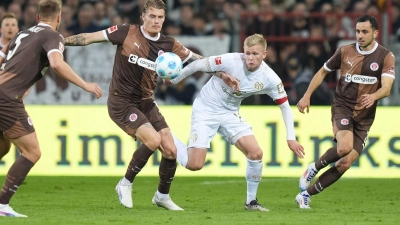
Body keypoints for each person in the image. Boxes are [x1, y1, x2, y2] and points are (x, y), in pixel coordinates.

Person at [63, 0, 238, 211]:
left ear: (164, 19)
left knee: (171, 150)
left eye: (160, 17)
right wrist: (59, 43)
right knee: (153, 140)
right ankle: (125, 183)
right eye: (152, 16)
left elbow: (197, 60)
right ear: (143, 16)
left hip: (146, 102)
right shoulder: (126, 32)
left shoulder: (169, 45)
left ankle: (162, 196)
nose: (156, 21)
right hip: (121, 101)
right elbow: (89, 38)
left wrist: (221, 74)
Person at [169, 33, 305, 211]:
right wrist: (175, 78)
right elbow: (197, 64)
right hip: (206, 109)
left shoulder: (270, 78)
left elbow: (285, 107)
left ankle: (251, 202)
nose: (249, 58)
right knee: (194, 165)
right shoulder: (231, 60)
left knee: (256, 153)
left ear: (264, 55)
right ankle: (168, 139)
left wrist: (291, 137)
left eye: (255, 54)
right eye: (247, 53)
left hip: (230, 112)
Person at [0, 0, 102, 217]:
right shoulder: (52, 36)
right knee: (32, 152)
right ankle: (2, 204)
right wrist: (85, 85)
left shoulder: (22, 34)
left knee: (3, 148)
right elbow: (56, 63)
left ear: (38, 17)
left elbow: (3, 59)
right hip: (7, 98)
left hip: (3, 93)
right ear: (59, 18)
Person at [295, 15, 395, 209]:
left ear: (375, 33)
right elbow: (323, 71)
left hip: (365, 117)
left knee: (345, 163)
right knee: (344, 148)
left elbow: (387, 88)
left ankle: (305, 195)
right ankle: (313, 168)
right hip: (343, 107)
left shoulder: (385, 56)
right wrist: (307, 95)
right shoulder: (345, 51)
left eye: (364, 32)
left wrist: (374, 97)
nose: (360, 35)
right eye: (357, 31)